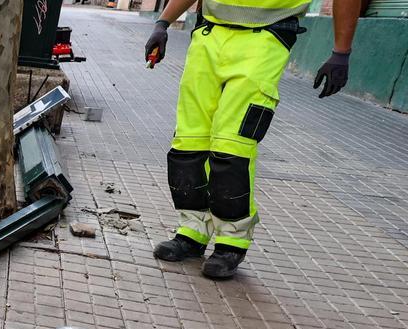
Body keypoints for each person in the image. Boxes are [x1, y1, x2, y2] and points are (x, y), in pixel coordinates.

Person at [144, 0, 360, 278]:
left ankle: (231, 242)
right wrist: (163, 23)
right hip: (208, 35)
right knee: (189, 141)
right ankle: (192, 231)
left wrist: (341, 51)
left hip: (266, 39)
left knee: (232, 146)